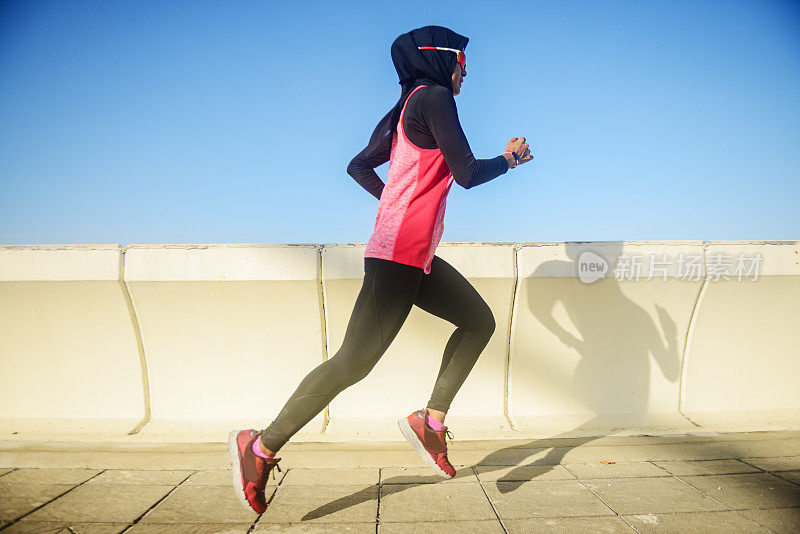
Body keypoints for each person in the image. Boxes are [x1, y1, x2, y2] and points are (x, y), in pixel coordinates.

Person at [228, 25, 532, 513]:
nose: (466, 72)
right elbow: (468, 174)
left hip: (414, 256)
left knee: (479, 321)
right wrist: (511, 159)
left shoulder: (406, 106)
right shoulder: (433, 98)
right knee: (353, 362)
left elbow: (358, 166)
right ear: (440, 63)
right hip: (397, 257)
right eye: (461, 62)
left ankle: (429, 423)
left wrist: (394, 206)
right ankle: (259, 447)